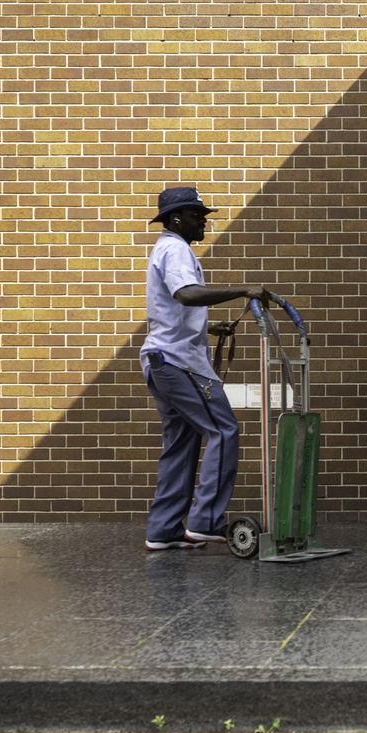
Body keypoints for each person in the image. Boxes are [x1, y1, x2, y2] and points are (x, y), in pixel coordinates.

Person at [140, 186, 266, 551]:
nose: (204, 223)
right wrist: (245, 290)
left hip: (161, 361)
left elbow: (170, 309)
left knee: (181, 444)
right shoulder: (175, 249)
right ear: (176, 218)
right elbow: (187, 294)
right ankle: (205, 521)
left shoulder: (166, 250)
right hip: (179, 364)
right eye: (198, 216)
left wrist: (210, 327)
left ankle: (163, 531)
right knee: (224, 430)